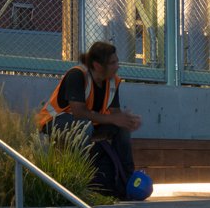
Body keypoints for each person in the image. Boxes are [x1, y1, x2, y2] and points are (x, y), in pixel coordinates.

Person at [37, 41, 142, 198]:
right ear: (98, 66)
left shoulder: (112, 81)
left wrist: (126, 120)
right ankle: (84, 183)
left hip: (88, 124)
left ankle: (126, 181)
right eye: (113, 63)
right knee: (84, 126)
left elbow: (115, 115)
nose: (117, 66)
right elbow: (79, 112)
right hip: (55, 121)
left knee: (121, 129)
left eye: (117, 61)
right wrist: (114, 118)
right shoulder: (77, 75)